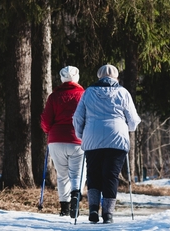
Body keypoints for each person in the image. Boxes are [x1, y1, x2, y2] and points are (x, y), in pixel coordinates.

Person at [72, 64, 141, 224]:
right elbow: (133, 120)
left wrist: (81, 134)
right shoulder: (123, 92)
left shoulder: (88, 92)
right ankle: (108, 214)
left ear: (99, 76)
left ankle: (93, 209)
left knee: (93, 174)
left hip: (92, 138)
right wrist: (127, 129)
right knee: (111, 175)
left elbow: (77, 118)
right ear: (116, 77)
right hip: (117, 139)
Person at [41, 65, 86, 218]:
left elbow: (46, 120)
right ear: (77, 78)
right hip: (77, 139)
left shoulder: (54, 96)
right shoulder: (84, 95)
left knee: (62, 175)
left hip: (56, 140)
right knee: (77, 174)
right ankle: (75, 196)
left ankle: (64, 207)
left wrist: (49, 132)